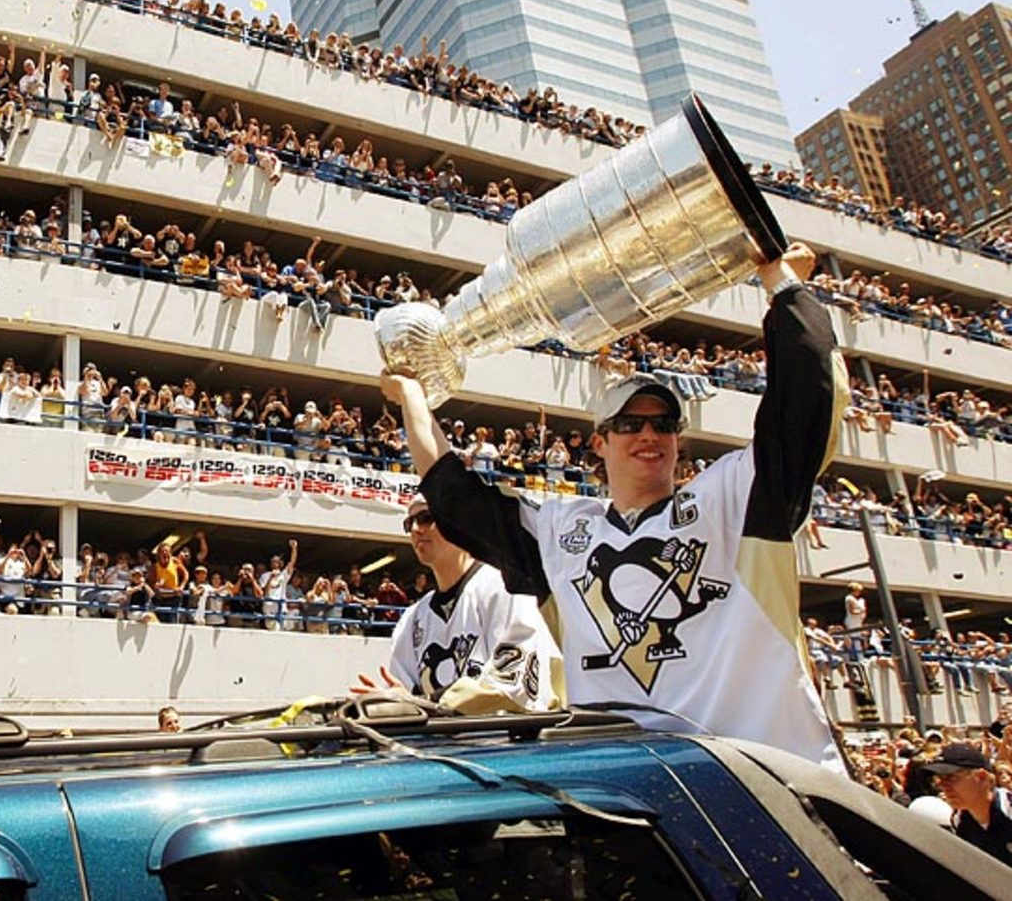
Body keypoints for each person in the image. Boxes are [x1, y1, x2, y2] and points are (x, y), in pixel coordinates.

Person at [381, 242, 848, 767]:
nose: (649, 434)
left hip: (765, 775)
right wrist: (413, 399)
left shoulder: (733, 498)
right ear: (599, 442)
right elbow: (455, 497)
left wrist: (785, 289)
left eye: (663, 424)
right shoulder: (560, 534)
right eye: (629, 424)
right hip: (634, 784)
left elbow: (804, 404)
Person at [354, 495, 562, 713]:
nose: (415, 529)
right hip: (442, 735)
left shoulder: (507, 588)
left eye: (426, 518)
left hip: (503, 733)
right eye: (409, 523)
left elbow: (513, 687)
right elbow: (403, 696)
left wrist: (423, 702)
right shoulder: (412, 619)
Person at [924, 743, 1012, 866]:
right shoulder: (958, 820)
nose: (943, 786)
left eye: (951, 778)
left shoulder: (1008, 809)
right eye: (939, 779)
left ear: (981, 777)